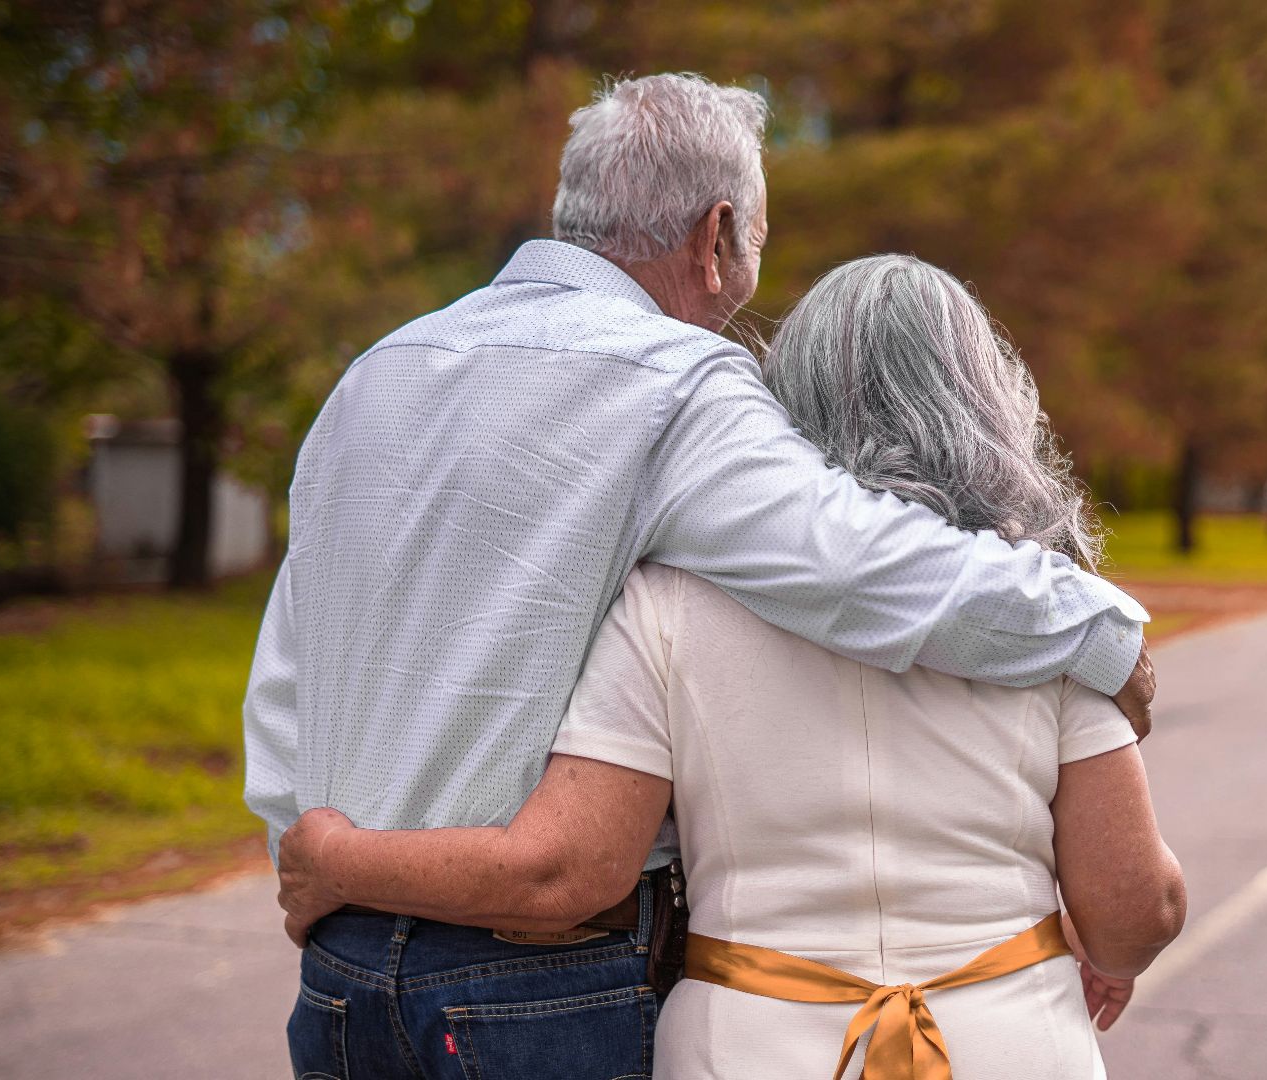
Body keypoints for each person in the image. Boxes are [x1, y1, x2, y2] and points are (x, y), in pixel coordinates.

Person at [242, 74, 1156, 1080]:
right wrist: (1095, 621)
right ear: (716, 234)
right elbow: (859, 568)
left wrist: (315, 858)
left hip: (342, 973)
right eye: (758, 242)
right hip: (534, 984)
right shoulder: (676, 382)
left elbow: (291, 672)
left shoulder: (374, 375)